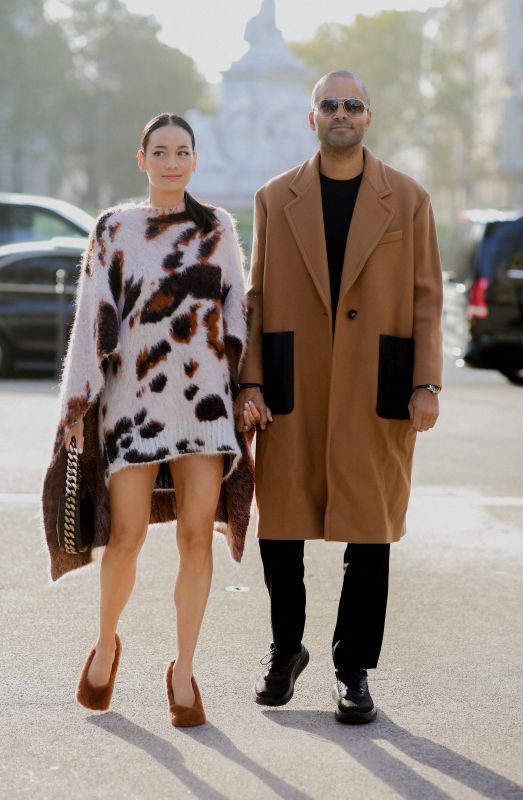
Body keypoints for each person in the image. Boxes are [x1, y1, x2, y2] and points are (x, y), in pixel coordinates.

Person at [236, 71, 443, 724]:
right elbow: (258, 294)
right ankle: (284, 650)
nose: (340, 114)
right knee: (281, 525)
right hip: (294, 383)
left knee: (370, 530)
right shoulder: (274, 197)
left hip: (372, 385)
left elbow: (426, 299)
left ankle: (351, 671)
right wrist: (250, 380)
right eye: (329, 105)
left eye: (352, 105)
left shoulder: (406, 199)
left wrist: (426, 382)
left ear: (368, 117)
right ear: (311, 118)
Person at [41, 113, 252, 727]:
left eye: (182, 151)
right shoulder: (113, 230)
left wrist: (245, 393)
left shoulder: (219, 229)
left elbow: (237, 314)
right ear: (142, 159)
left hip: (205, 404)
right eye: (159, 151)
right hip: (133, 405)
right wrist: (78, 405)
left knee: (194, 536)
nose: (171, 161)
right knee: (126, 536)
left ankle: (183, 669)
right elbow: (92, 323)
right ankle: (106, 643)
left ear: (195, 158)